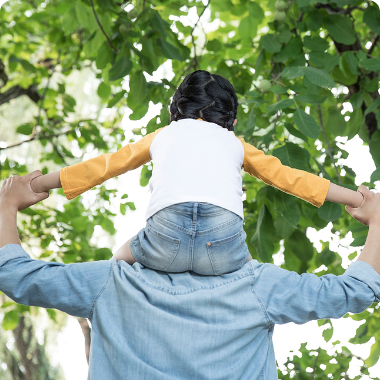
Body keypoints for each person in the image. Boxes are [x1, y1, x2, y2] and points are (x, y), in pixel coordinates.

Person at [1, 172, 379, 380]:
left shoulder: (110, 285)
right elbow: (358, 289)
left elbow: (14, 273)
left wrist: (6, 203)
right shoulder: (257, 287)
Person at [29, 70, 363, 275]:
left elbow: (103, 166)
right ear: (231, 121)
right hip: (223, 242)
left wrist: (40, 183)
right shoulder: (236, 143)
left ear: (175, 111)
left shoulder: (163, 134)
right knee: (251, 275)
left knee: (117, 262)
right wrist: (357, 198)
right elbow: (293, 179)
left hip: (164, 236)